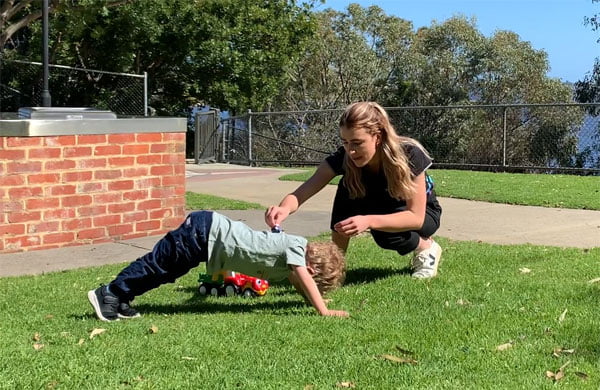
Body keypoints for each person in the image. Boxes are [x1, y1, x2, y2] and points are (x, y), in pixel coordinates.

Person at [265, 101, 443, 279]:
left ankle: (426, 248)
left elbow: (416, 217)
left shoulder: (409, 154)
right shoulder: (346, 157)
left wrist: (369, 220)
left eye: (357, 143)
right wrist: (284, 208)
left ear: (378, 137)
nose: (350, 151)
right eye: (345, 142)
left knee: (384, 233)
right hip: (383, 208)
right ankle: (336, 263)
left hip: (424, 215)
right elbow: (303, 191)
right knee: (347, 186)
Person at [88, 210, 348, 321]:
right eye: (312, 284)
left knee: (165, 272)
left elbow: (279, 247)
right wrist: (323, 311)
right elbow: (302, 278)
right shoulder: (297, 254)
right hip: (205, 233)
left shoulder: (291, 254)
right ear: (311, 271)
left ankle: (121, 298)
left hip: (205, 237)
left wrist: (275, 226)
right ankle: (110, 293)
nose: (303, 286)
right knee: (159, 266)